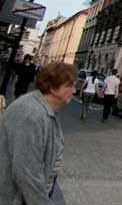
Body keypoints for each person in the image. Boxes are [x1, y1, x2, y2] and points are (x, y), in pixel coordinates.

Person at [0, 62, 77, 204]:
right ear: (54, 87)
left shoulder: (45, 110)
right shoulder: (32, 114)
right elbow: (27, 174)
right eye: (70, 86)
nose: (74, 90)